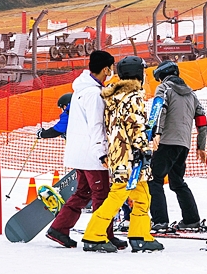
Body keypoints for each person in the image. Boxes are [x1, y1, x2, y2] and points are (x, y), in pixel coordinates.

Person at [81, 56, 164, 253]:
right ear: (138, 73)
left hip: (119, 154)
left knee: (143, 196)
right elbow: (136, 126)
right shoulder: (133, 96)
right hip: (130, 157)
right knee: (117, 196)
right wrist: (144, 148)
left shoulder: (114, 98)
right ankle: (93, 235)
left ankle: (140, 235)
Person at [45, 50, 122, 250]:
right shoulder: (94, 94)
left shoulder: (81, 89)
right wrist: (101, 152)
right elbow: (96, 125)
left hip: (80, 152)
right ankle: (102, 234)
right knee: (102, 195)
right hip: (92, 154)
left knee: (83, 192)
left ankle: (60, 228)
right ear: (106, 68)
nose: (111, 71)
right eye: (111, 67)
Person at [148, 60, 207, 232]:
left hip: (166, 141)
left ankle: (160, 221)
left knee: (154, 179)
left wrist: (156, 133)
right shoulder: (192, 94)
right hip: (183, 144)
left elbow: (160, 110)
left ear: (162, 75)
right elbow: (202, 120)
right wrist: (200, 146)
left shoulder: (164, 89)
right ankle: (191, 219)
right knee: (177, 181)